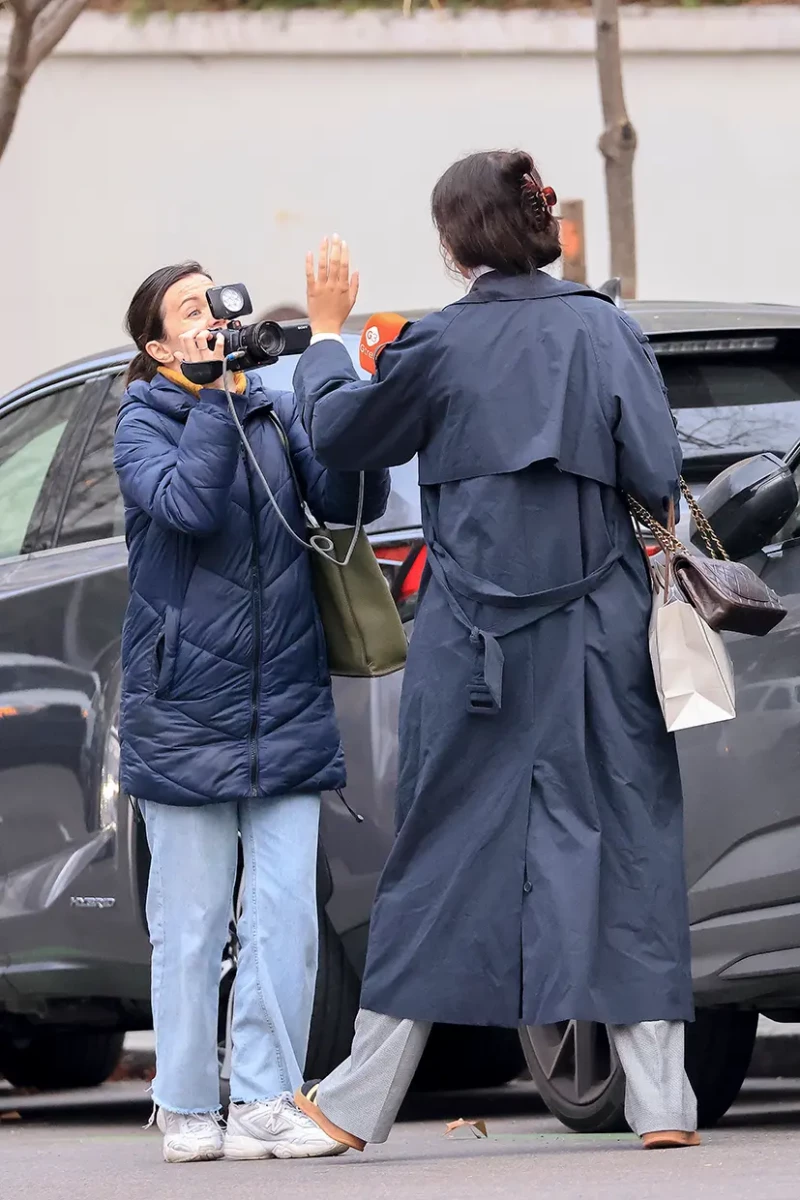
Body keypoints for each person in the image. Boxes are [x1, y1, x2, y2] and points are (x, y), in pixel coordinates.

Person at [290, 152, 699, 1155]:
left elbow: (342, 437)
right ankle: (661, 1104)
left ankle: (356, 1101)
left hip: (473, 644)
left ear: (453, 239)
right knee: (625, 843)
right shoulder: (603, 328)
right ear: (541, 227)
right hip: (596, 636)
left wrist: (327, 338)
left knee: (437, 852)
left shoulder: (438, 343)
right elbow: (653, 468)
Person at [113, 262, 389, 1163]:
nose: (212, 318)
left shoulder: (266, 406)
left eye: (214, 301)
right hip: (184, 706)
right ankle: (188, 1103)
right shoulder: (142, 422)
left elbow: (353, 505)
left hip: (287, 700)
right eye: (190, 311)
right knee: (190, 921)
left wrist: (339, 378)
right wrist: (215, 397)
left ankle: (268, 1095)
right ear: (157, 347)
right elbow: (188, 504)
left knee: (283, 913)